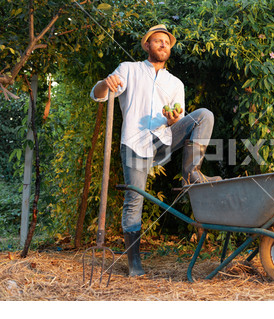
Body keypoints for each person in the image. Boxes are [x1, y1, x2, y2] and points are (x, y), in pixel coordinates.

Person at [90, 24, 222, 277]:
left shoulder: (175, 83)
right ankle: (134, 264)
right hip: (135, 144)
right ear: (147, 45)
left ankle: (191, 173)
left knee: (204, 115)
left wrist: (173, 120)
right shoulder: (128, 69)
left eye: (167, 42)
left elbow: (178, 117)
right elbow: (98, 95)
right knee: (134, 199)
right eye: (158, 41)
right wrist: (105, 83)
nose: (163, 45)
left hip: (164, 140)